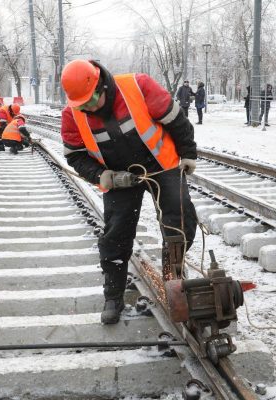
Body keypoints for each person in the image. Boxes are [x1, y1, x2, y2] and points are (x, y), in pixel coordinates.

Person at [60, 59, 198, 325]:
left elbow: (176, 119)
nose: (87, 109)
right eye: (82, 105)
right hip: (119, 176)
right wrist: (103, 176)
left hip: (162, 166)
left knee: (179, 221)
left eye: (91, 102)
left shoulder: (138, 86)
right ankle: (113, 295)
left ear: (101, 86)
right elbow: (75, 156)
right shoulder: (73, 114)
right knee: (116, 233)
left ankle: (173, 279)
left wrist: (188, 153)